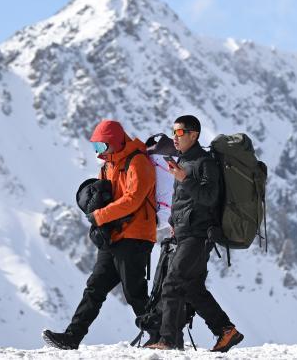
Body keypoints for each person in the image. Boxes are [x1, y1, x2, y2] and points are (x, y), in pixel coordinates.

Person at [43, 119, 157, 350]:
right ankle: (71, 337)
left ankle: (160, 336)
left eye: (102, 147)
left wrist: (100, 216)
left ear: (114, 142)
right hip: (114, 236)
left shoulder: (138, 161)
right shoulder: (107, 165)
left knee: (134, 291)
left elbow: (133, 200)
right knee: (94, 288)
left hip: (136, 235)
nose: (99, 152)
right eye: (96, 148)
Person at [145, 115, 243, 352]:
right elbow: (182, 201)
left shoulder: (204, 162)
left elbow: (210, 197)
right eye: (173, 132)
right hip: (184, 232)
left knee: (172, 284)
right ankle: (225, 330)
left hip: (199, 235)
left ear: (194, 135)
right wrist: (172, 222)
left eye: (179, 133)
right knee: (192, 288)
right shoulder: (184, 162)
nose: (174, 138)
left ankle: (167, 340)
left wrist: (184, 179)